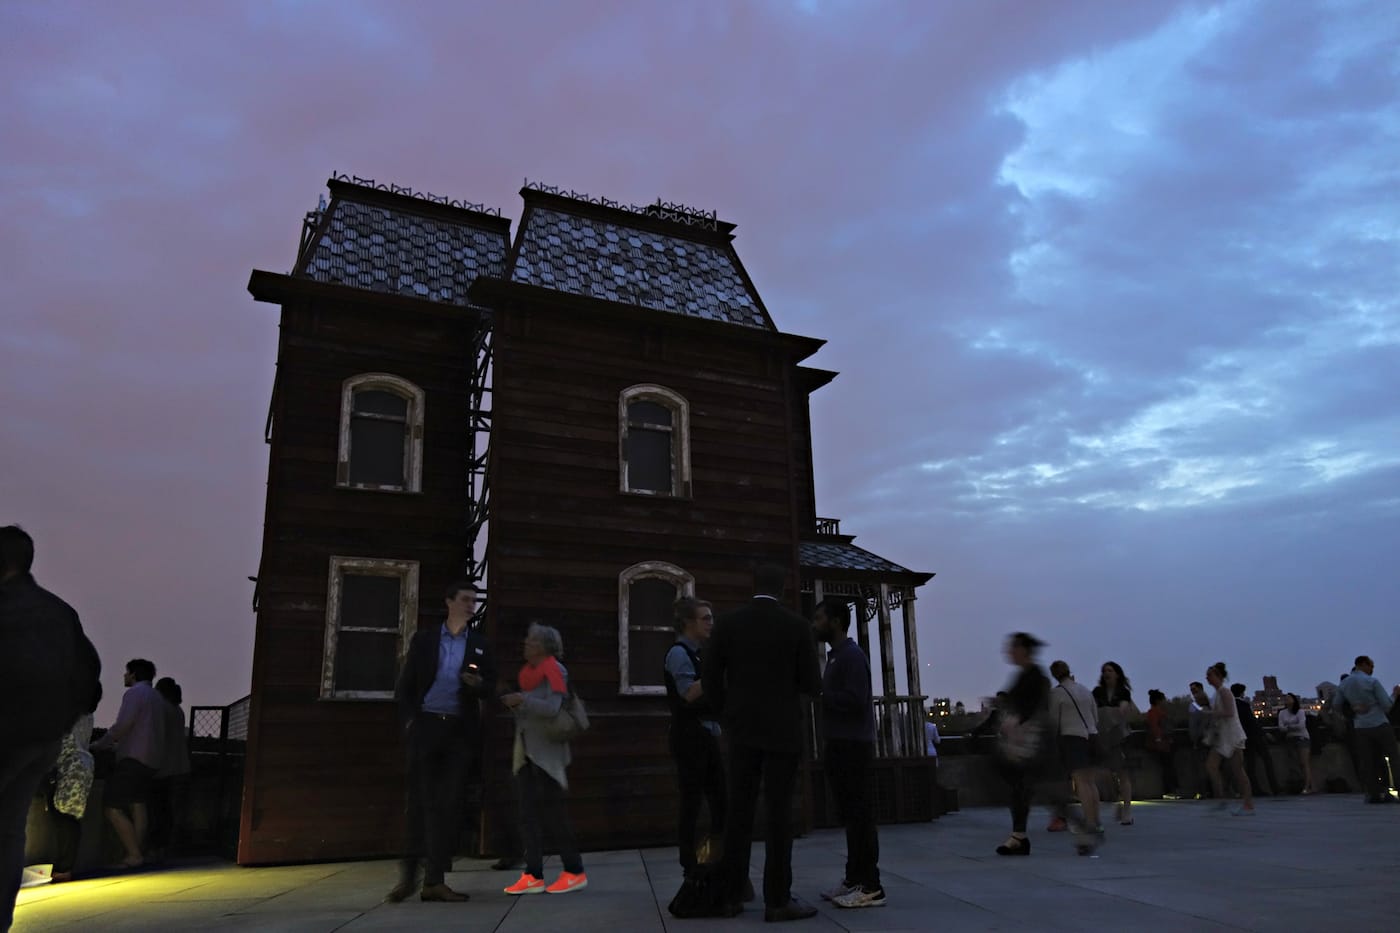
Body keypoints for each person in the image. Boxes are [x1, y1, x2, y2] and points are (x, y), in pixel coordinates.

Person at [704, 563, 821, 922]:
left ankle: (731, 894)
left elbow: (710, 677)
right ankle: (777, 898)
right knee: (779, 814)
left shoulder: (727, 624)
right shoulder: (797, 626)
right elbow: (811, 684)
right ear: (783, 590)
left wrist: (726, 713)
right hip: (782, 732)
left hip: (741, 731)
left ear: (752, 585)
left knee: (739, 812)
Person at [1, 525, 102, 931]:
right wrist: (56, 723)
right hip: (42, 741)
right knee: (9, 832)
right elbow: (89, 684)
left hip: (8, 733)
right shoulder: (60, 612)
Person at [385, 581, 496, 904]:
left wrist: (477, 685)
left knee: (447, 808)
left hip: (459, 733)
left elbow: (490, 687)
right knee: (418, 804)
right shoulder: (426, 640)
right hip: (427, 727)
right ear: (449, 602)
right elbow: (405, 687)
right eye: (465, 599)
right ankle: (408, 878)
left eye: (475, 601)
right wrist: (410, 723)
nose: (471, 605)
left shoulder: (479, 644)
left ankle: (434, 881)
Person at [500, 623, 587, 895]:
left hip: (547, 755)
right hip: (527, 752)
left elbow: (551, 709)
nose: (526, 644)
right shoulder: (531, 674)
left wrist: (521, 699)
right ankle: (533, 874)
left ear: (544, 646)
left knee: (553, 815)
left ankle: (573, 871)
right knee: (528, 815)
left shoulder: (555, 670)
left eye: (532, 641)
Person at [813, 598, 883, 909]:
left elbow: (856, 700)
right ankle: (854, 877)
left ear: (837, 622)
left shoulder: (852, 657)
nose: (815, 624)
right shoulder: (837, 657)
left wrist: (823, 696)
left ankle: (871, 885)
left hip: (854, 745)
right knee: (851, 817)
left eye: (819, 618)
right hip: (839, 744)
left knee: (860, 816)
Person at [664, 597, 726, 878]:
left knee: (720, 802)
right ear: (689, 622)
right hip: (690, 736)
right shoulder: (679, 653)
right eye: (705, 618)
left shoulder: (700, 653)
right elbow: (688, 694)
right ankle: (691, 865)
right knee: (692, 802)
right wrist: (716, 672)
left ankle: (714, 862)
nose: (711, 623)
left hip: (707, 733)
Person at [92, 658, 168, 868]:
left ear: (134, 674)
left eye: (127, 673)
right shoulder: (157, 697)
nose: (124, 676)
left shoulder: (134, 694)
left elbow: (123, 725)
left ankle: (133, 854)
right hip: (152, 760)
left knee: (111, 807)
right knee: (138, 805)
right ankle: (137, 851)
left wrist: (101, 743)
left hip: (133, 758)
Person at [993, 633, 1050, 856]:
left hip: (1027, 742)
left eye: (1012, 648)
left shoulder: (1033, 676)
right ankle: (1019, 835)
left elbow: (1031, 706)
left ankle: (1019, 836)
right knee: (1021, 789)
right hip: (1024, 740)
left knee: (1021, 788)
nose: (1008, 652)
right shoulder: (1028, 675)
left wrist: (1016, 720)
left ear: (1023, 650)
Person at [1046, 661, 1102, 852]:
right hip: (1091, 736)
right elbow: (1095, 716)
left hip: (1072, 738)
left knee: (1080, 783)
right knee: (1090, 782)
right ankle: (1096, 820)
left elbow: (1053, 721)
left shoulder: (1057, 693)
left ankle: (1089, 823)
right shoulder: (1085, 690)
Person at [47, 684, 100, 884]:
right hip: (83, 764)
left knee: (62, 816)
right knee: (71, 817)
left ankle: (63, 868)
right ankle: (65, 867)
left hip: (69, 765)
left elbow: (62, 742)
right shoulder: (87, 714)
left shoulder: (71, 712)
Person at [1333, 656, 1399, 803]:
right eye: (1371, 666)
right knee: (1394, 758)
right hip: (1380, 724)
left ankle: (1373, 793)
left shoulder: (1344, 684)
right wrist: (1395, 694)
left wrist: (1353, 709)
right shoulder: (1372, 682)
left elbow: (1336, 705)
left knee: (1368, 761)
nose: (1372, 670)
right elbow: (1387, 705)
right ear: (1363, 664)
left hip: (1360, 727)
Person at [148, 677, 190, 862]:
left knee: (159, 810)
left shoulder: (162, 709)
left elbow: (156, 736)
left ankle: (157, 849)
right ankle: (168, 848)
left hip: (164, 768)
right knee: (171, 812)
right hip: (180, 766)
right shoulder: (178, 710)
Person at [1204, 662, 1254, 815]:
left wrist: (1212, 714)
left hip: (1232, 736)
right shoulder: (1218, 694)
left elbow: (1230, 712)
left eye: (1210, 675)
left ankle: (1248, 805)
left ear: (1218, 676)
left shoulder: (1225, 692)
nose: (1207, 678)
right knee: (1211, 766)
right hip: (1223, 736)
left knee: (1238, 771)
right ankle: (1221, 799)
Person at [1093, 661, 1135, 825]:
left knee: (1123, 773)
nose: (1106, 673)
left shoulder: (1123, 692)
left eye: (1110, 670)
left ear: (1117, 674)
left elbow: (1123, 710)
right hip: (1103, 736)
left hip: (1119, 736)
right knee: (1103, 772)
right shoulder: (1098, 691)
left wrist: (1108, 712)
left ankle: (1126, 810)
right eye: (1104, 670)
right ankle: (1116, 801)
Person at [1231, 683, 1277, 796]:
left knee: (1250, 765)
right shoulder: (1244, 705)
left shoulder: (1232, 706)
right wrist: (1264, 734)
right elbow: (1253, 722)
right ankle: (1274, 787)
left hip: (1243, 738)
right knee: (1267, 761)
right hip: (1255, 737)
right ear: (1242, 693)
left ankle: (1255, 789)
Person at [1276, 693, 1314, 794]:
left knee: (1304, 763)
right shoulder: (1282, 713)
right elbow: (1280, 727)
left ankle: (1307, 786)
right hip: (1290, 739)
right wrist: (1292, 726)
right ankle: (1298, 785)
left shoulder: (1300, 711)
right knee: (1293, 763)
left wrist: (1288, 727)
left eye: (1289, 698)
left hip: (1302, 738)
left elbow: (1301, 725)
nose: (1287, 700)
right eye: (1286, 698)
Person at [1145, 689, 1179, 799]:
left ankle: (1170, 790)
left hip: (1163, 744)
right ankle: (1170, 790)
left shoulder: (1155, 712)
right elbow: (1155, 728)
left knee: (1168, 767)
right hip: (1162, 745)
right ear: (1159, 701)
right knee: (1167, 768)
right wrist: (1160, 740)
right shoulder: (1155, 712)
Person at [1187, 681, 1215, 798]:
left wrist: (1194, 740)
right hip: (1211, 741)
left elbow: (1194, 728)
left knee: (1202, 768)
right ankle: (1214, 790)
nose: (1193, 692)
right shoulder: (1210, 708)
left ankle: (1205, 791)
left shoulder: (1196, 710)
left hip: (1201, 742)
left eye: (1194, 690)